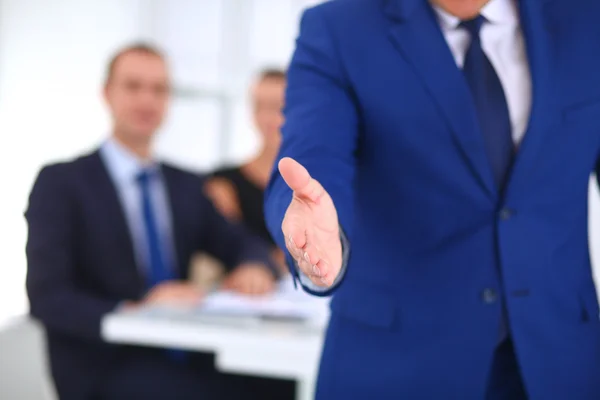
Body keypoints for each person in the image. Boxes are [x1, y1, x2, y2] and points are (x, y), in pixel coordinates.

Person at [264, 0, 600, 399]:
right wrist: (319, 234)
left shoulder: (587, 19)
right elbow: (313, 152)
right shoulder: (339, 27)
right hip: (394, 366)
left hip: (560, 363)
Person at [26, 43, 279, 400]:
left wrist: (255, 266)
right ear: (107, 93)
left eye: (159, 89)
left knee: (276, 383)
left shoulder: (187, 185)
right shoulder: (62, 184)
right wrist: (136, 310)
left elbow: (239, 241)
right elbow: (47, 295)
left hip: (183, 349)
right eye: (133, 86)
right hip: (104, 363)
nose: (147, 100)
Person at [206, 68, 287, 274]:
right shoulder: (224, 183)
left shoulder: (319, 184)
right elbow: (229, 244)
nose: (271, 118)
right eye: (261, 107)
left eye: (281, 107)